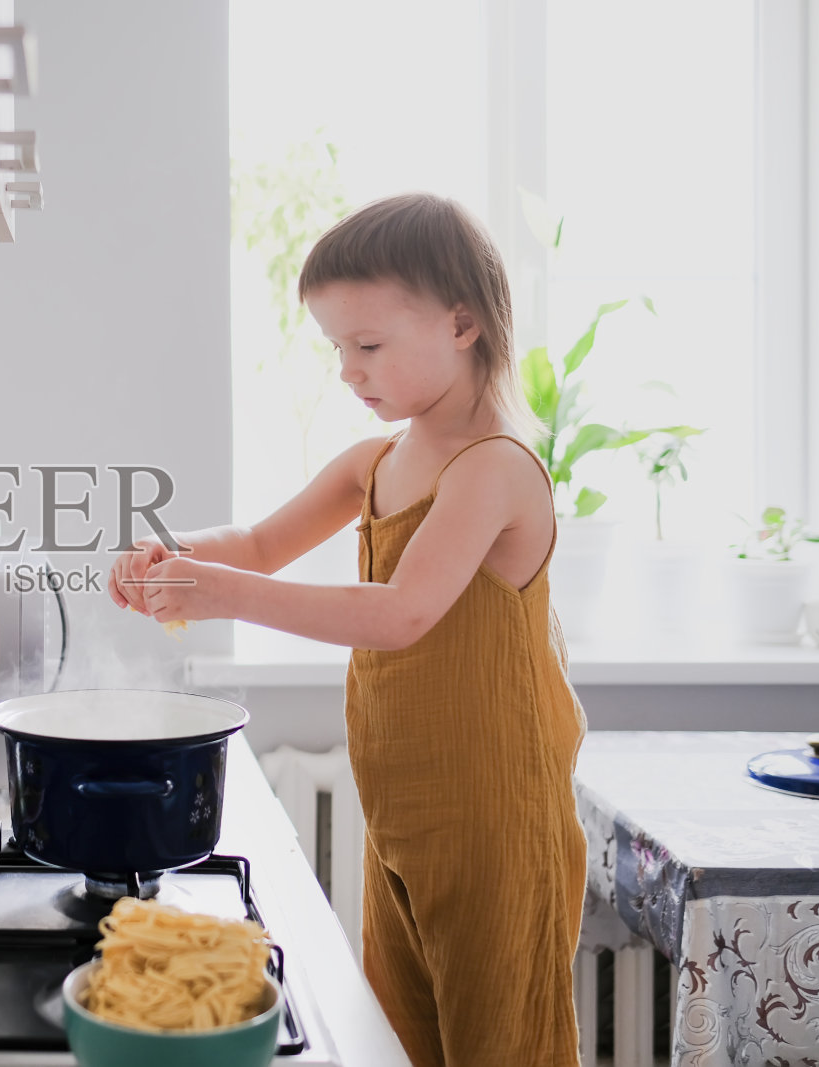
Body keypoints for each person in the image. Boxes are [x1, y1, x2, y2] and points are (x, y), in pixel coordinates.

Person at [109, 192, 588, 1067]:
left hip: (496, 827)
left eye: (367, 345)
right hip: (404, 815)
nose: (348, 370)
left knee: (503, 1049)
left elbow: (400, 613)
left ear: (462, 324)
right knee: (407, 1044)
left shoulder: (496, 470)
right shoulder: (377, 462)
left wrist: (219, 594)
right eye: (337, 348)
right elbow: (258, 543)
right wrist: (166, 557)